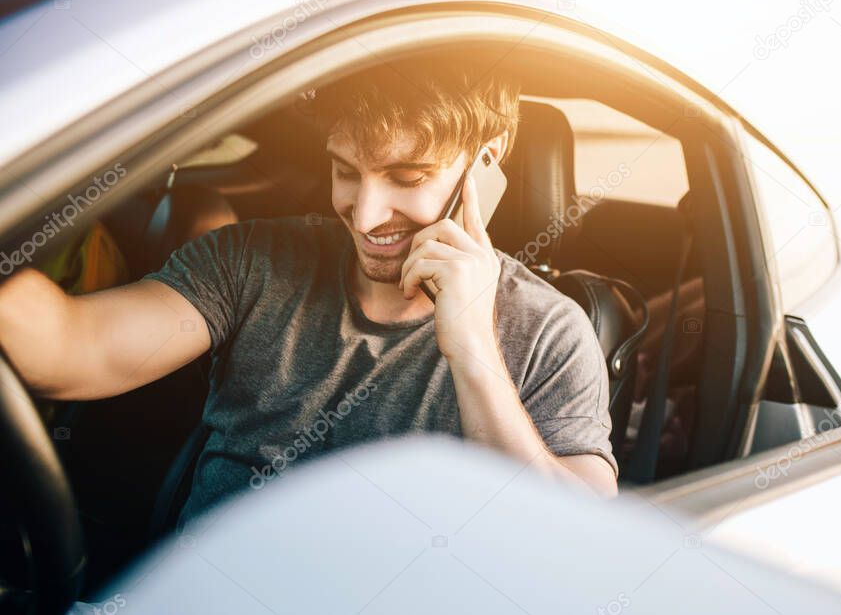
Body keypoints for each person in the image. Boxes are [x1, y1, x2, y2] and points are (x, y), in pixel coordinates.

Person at [0, 61, 618, 531]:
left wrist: (475, 349)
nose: (366, 213)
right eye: (346, 170)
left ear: (484, 165)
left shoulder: (550, 332)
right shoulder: (253, 262)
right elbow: (72, 347)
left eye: (408, 178)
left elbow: (576, 542)